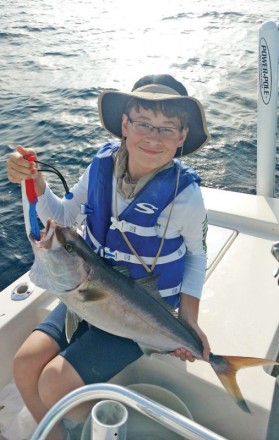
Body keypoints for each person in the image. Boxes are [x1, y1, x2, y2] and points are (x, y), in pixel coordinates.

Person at [7, 74, 211, 438]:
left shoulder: (186, 197)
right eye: (144, 124)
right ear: (125, 125)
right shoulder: (101, 165)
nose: (152, 137)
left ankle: (99, 426)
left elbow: (196, 256)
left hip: (140, 312)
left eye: (167, 129)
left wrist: (190, 322)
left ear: (182, 137)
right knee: (24, 365)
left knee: (53, 384)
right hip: (86, 290)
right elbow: (65, 217)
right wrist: (34, 181)